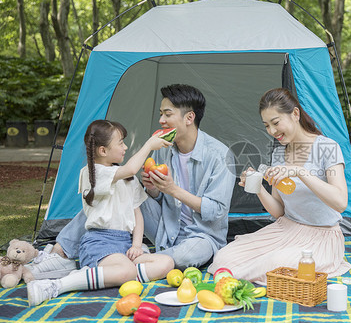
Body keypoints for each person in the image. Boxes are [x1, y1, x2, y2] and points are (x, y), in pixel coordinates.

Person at [26, 84, 236, 281]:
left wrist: (173, 189)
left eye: (168, 114)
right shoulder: (163, 148)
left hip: (202, 235)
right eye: (161, 114)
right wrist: (154, 190)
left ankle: (122, 265)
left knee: (185, 258)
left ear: (189, 117)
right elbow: (162, 200)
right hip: (166, 226)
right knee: (112, 190)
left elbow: (215, 212)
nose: (161, 120)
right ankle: (60, 250)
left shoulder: (220, 155)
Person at [208, 87, 351, 285]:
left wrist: (301, 172)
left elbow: (341, 202)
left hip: (321, 236)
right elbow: (279, 211)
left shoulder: (327, 147)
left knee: (271, 265)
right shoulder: (278, 154)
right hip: (286, 229)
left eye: (276, 123)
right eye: (267, 125)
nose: (272, 131)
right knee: (225, 257)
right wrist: (257, 188)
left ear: (295, 114)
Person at [27, 119, 175, 306]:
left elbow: (137, 213)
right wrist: (149, 145)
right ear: (103, 150)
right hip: (99, 243)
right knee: (128, 271)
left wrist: (137, 245)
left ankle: (101, 275)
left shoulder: (128, 179)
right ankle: (58, 285)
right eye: (120, 142)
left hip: (124, 244)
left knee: (166, 263)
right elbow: (130, 167)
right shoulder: (93, 173)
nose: (125, 147)